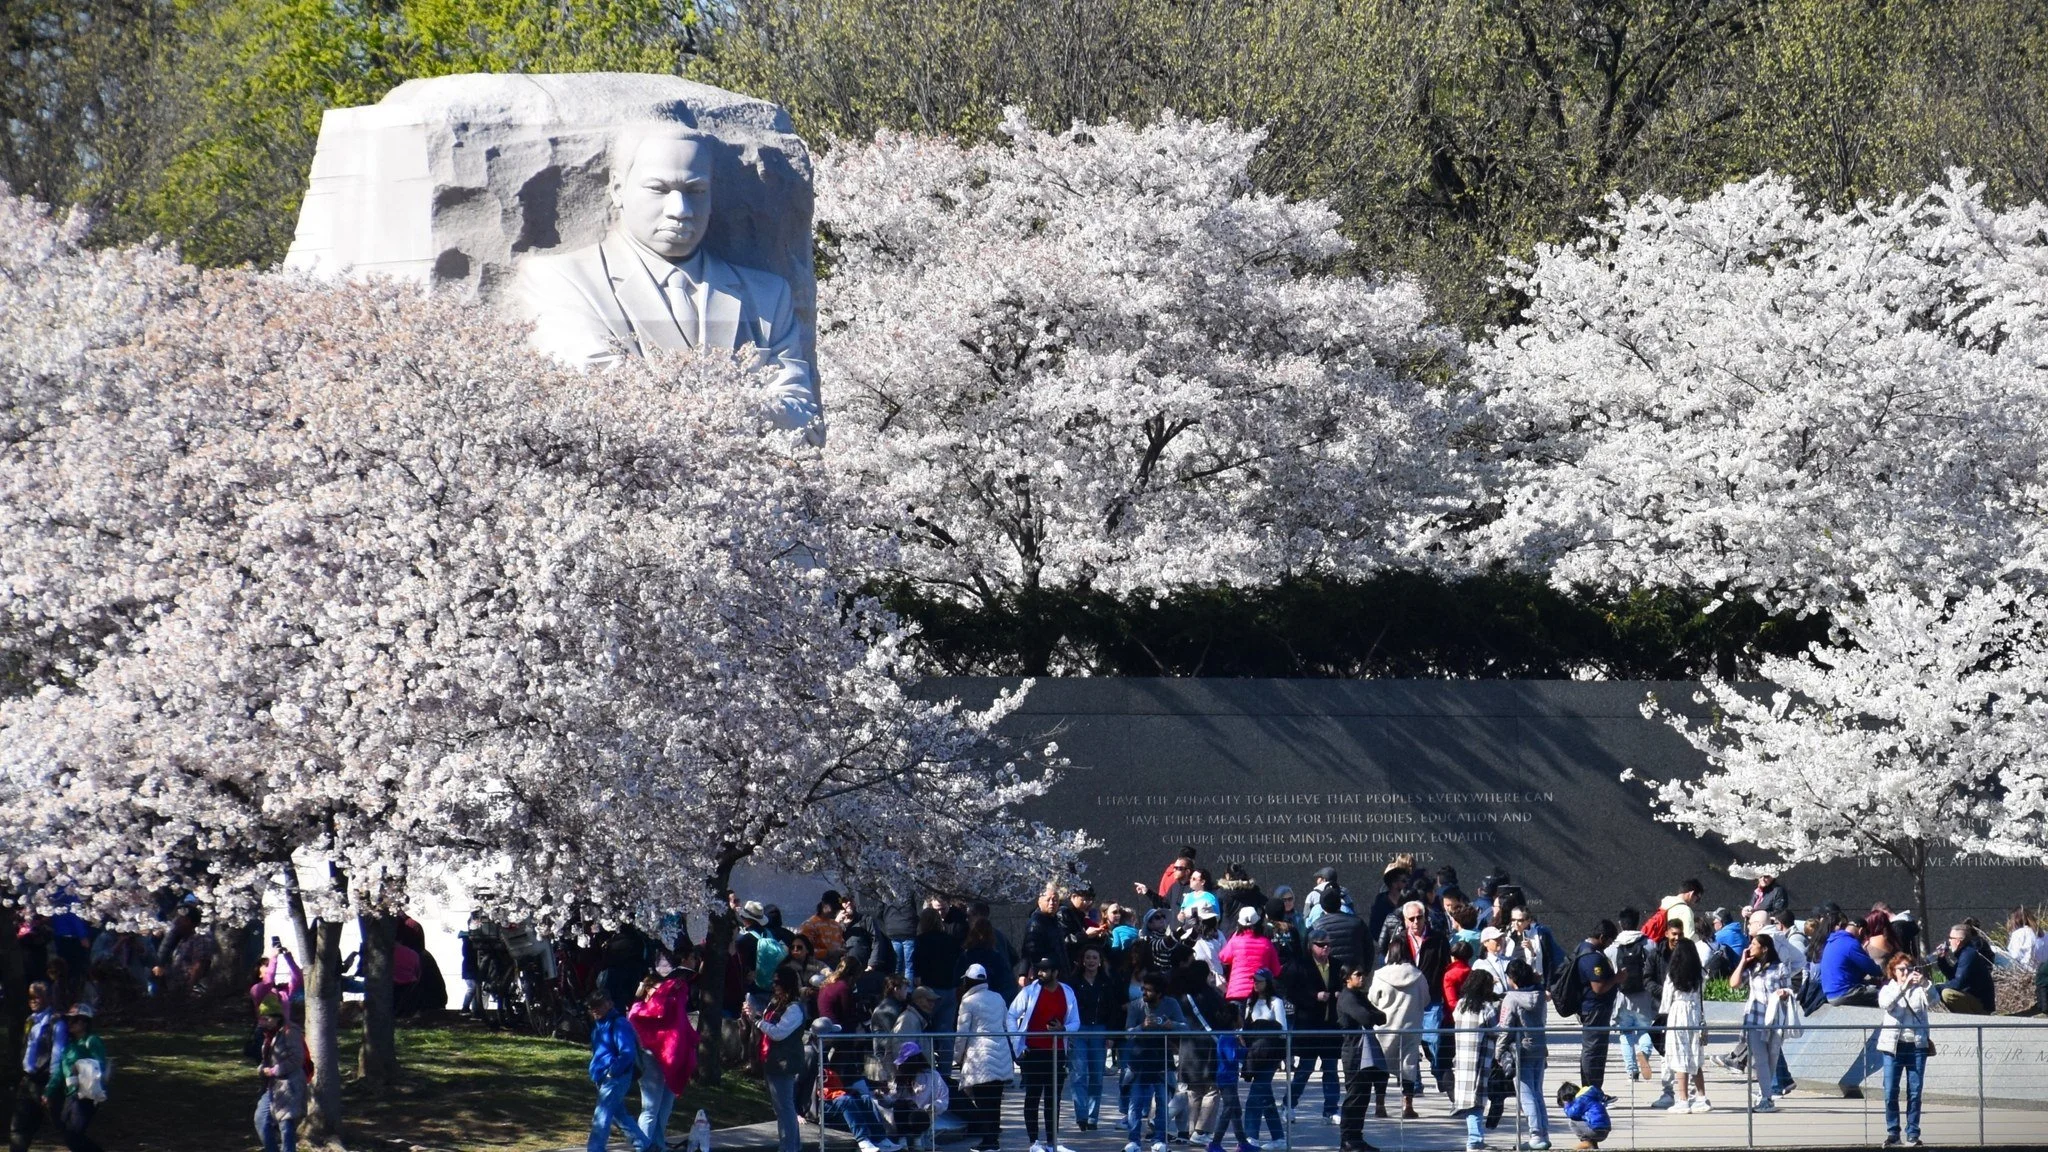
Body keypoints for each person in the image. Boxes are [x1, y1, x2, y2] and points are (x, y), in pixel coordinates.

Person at [515, 125, 818, 424]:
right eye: (658, 189)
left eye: (695, 191)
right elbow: (593, 392)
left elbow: (801, 416)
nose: (680, 210)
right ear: (618, 190)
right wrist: (735, 408)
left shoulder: (766, 295)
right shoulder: (563, 280)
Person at [1009, 956, 1079, 1152]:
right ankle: (1034, 1142)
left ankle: (1052, 1142)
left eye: (1045, 970)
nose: (1040, 973)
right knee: (1032, 1097)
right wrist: (1018, 1045)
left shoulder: (1067, 992)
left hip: (1056, 1053)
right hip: (1033, 1052)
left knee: (1053, 1099)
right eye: (1038, 969)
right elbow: (1012, 1015)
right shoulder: (1029, 991)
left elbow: (1076, 1022)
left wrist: (1063, 1029)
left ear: (1055, 972)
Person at [628, 967, 698, 1150]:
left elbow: (679, 1025)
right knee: (650, 1108)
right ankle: (641, 1147)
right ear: (647, 989)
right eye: (658, 989)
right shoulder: (638, 1010)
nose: (662, 993)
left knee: (664, 1107)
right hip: (651, 1060)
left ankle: (657, 1145)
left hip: (669, 1060)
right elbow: (637, 1034)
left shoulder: (670, 1008)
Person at [1283, 929, 1344, 1123]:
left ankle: (1331, 1110)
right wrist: (1313, 996)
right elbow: (1288, 990)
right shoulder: (1300, 965)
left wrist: (1340, 995)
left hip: (1331, 1025)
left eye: (1328, 944)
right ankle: (1289, 1105)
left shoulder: (1337, 965)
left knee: (1331, 1069)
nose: (1326, 948)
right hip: (1309, 1024)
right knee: (1305, 1069)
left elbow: (1346, 985)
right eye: (1321, 944)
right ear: (1311, 946)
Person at [1123, 973, 1187, 1152]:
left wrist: (1171, 1025)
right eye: (1143, 989)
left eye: (1148, 990)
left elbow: (1185, 1027)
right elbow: (1127, 1034)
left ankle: (1159, 1139)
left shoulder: (1171, 1004)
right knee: (1135, 1103)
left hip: (1162, 1060)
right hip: (1138, 1061)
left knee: (1161, 1101)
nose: (1144, 992)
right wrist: (1141, 1027)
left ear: (1159, 993)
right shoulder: (1136, 1006)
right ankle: (1133, 1140)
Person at [1731, 932, 1794, 1113]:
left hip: (1773, 1019)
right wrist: (1743, 961)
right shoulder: (1751, 968)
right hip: (1754, 1019)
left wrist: (1784, 993)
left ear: (1764, 948)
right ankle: (1766, 1097)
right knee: (1760, 1060)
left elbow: (1789, 989)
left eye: (1754, 944)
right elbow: (1734, 984)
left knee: (1772, 1058)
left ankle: (1765, 1093)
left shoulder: (1780, 967)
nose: (1750, 947)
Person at [746, 967, 807, 1152]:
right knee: (781, 1109)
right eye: (774, 982)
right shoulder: (775, 1003)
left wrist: (757, 1019)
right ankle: (791, 1146)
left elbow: (778, 1033)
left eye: (778, 982)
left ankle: (789, 1147)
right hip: (771, 1059)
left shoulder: (795, 1008)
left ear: (787, 984)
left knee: (786, 1108)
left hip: (784, 1062)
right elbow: (766, 1023)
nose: (774, 985)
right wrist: (752, 1013)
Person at [1366, 939, 1426, 1121]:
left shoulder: (1379, 975)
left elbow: (1372, 999)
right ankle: (1408, 1105)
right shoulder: (1418, 975)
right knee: (1409, 1066)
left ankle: (1380, 1105)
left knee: (1381, 1067)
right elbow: (1426, 998)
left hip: (1385, 1027)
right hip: (1410, 1027)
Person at [586, 989, 653, 1152]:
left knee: (601, 1116)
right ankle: (645, 1145)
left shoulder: (619, 1023)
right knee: (619, 1115)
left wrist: (612, 1071)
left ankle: (595, 1149)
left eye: (599, 1006)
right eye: (591, 1007)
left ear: (609, 1004)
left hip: (615, 1077)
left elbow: (627, 1053)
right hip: (603, 1076)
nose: (595, 1010)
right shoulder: (599, 1025)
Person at [956, 963, 1014, 1152]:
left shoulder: (968, 1002)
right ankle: (993, 1140)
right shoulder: (998, 998)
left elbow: (962, 1033)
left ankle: (988, 1141)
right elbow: (1006, 1023)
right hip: (1001, 1052)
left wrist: (957, 1057)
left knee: (982, 1101)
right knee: (995, 1101)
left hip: (979, 1055)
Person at [1654, 920, 1710, 1113]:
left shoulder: (1673, 973)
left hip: (1678, 1013)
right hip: (1694, 1013)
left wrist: (1663, 1017)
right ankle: (1701, 1097)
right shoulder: (1698, 974)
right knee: (1695, 1056)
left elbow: (1666, 1001)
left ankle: (1683, 1099)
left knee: (1679, 1058)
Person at [1875, 952, 1931, 1147]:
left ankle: (1913, 1134)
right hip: (1893, 1046)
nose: (1906, 972)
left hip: (1916, 1045)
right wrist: (1903, 987)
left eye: (1909, 968)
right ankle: (1893, 1133)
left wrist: (1925, 984)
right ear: (1893, 971)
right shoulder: (1887, 989)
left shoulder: (1919, 990)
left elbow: (1934, 1001)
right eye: (1901, 969)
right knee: (1890, 1091)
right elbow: (1886, 1004)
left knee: (1915, 1092)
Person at [1499, 961, 1551, 1151]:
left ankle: (1535, 1135)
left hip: (1520, 1050)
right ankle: (1543, 1133)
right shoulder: (1539, 995)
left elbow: (1505, 1027)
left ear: (1513, 979)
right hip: (1539, 1046)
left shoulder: (1511, 998)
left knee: (1525, 1094)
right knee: (1537, 1092)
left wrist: (1499, 1051)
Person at [1067, 946, 1120, 1132]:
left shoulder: (1107, 982)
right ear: (1083, 960)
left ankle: (1092, 1117)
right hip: (1079, 1030)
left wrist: (1111, 1036)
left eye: (1094, 957)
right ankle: (1081, 1115)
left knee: (1096, 1075)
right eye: (1088, 957)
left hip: (1099, 1030)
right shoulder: (1073, 982)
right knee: (1079, 1074)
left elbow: (1114, 1010)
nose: (1091, 961)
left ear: (1100, 961)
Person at [1334, 966, 1386, 1152]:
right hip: (1354, 1053)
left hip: (1365, 1053)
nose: (1362, 978)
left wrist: (1372, 1015)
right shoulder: (1347, 997)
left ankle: (1357, 1137)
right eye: (1358, 975)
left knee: (1363, 1097)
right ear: (1347, 978)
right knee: (1354, 1097)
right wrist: (1372, 1016)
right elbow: (1365, 1017)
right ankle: (1347, 1139)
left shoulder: (1360, 996)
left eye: (1363, 974)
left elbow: (1382, 1017)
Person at [1602, 910, 1657, 1082]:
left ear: (1620, 923)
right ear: (1638, 922)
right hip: (1644, 995)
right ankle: (1644, 1054)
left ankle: (1631, 1071)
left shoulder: (1612, 948)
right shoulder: (1649, 944)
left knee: (1625, 1033)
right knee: (1645, 1029)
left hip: (1621, 996)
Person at [1449, 969, 1500, 1152]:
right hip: (1480, 1060)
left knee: (1469, 1100)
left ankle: (1476, 1138)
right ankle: (1474, 1140)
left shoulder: (1461, 1005)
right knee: (1476, 1102)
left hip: (1463, 1059)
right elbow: (1496, 1031)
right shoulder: (1486, 1008)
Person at [45, 1003, 106, 1152]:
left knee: (74, 1135)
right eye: (68, 1020)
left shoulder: (92, 1041)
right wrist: (49, 1091)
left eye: (74, 1020)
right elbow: (60, 1071)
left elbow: (100, 1065)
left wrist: (81, 1066)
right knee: (67, 1134)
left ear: (84, 1022)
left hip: (87, 1095)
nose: (69, 1024)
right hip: (71, 1094)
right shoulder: (68, 1046)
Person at [14, 982, 67, 1152]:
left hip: (45, 1081)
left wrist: (52, 1085)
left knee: (63, 1126)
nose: (33, 1001)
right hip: (28, 1080)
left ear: (46, 998)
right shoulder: (30, 1020)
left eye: (37, 997)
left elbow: (58, 1054)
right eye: (30, 997)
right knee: (19, 1127)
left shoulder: (56, 1023)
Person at [1242, 969, 1291, 1147]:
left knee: (1254, 1097)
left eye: (1260, 981)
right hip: (1254, 1056)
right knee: (1266, 1097)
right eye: (1254, 981)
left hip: (1270, 1055)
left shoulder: (1276, 1002)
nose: (1256, 984)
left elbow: (1283, 1030)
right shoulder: (1250, 1002)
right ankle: (1278, 1138)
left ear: (1268, 983)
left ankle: (1251, 1137)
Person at [253, 995, 307, 1152]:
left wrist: (276, 1070)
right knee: (261, 1119)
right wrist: (262, 1069)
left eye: (266, 1018)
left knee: (286, 1125)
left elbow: (297, 1058)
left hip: (288, 1085)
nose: (263, 1022)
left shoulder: (290, 1032)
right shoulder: (268, 1035)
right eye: (261, 1018)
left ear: (277, 1018)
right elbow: (267, 1058)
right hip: (271, 1086)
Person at [1570, 922, 1620, 1089]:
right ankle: (1592, 1089)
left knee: (1595, 1051)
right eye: (1610, 941)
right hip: (1595, 1010)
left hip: (1594, 1009)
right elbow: (1598, 987)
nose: (1609, 945)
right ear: (1602, 937)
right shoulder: (1593, 957)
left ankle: (1593, 1090)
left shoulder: (1583, 949)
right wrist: (1617, 978)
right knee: (1594, 1051)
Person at [878, 1042, 947, 1151]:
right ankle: (903, 1140)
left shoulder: (933, 1076)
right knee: (901, 1104)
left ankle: (918, 1140)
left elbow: (943, 1099)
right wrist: (882, 1095)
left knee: (915, 1113)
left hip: (923, 1116)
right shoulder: (902, 1078)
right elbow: (892, 1099)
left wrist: (933, 1106)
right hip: (903, 1118)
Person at [1819, 919, 1886, 1007]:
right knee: (1886, 997)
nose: (1864, 938)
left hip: (1830, 993)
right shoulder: (1851, 944)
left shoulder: (1832, 941)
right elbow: (1874, 970)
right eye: (1865, 934)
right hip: (1844, 993)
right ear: (1861, 930)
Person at [1219, 910, 1281, 1004]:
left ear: (1239, 924)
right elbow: (1276, 971)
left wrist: (1235, 935)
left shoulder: (1235, 941)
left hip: (1237, 992)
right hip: (1259, 993)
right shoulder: (1266, 943)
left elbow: (1223, 957)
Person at [1935, 922, 1994, 1015]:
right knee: (1946, 989)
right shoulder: (1965, 953)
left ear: (1958, 941)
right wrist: (1941, 959)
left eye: (1951, 938)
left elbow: (1957, 984)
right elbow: (1953, 976)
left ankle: (1971, 1022)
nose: (1948, 941)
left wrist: (1935, 989)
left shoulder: (1968, 955)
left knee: (1948, 994)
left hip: (1982, 1006)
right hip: (1974, 1000)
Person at [1557, 1082, 1610, 1149]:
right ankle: (1593, 1146)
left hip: (1596, 1131)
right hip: (1605, 1129)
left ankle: (1586, 1142)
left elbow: (1571, 1113)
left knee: (1573, 1122)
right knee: (1584, 1120)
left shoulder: (1580, 1099)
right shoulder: (1588, 1096)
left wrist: (1567, 1104)